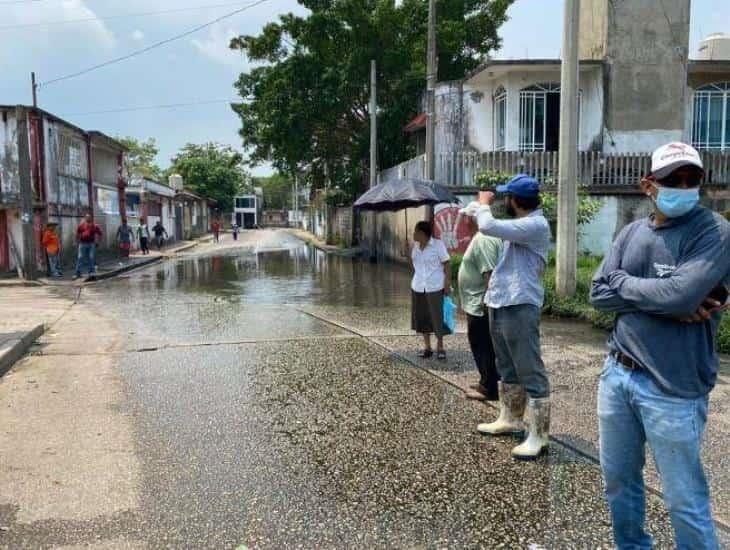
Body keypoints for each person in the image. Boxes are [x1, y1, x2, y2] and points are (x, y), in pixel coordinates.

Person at [590, 142, 729, 549]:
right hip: (617, 375)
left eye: (692, 180)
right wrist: (664, 299)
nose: (684, 187)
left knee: (684, 499)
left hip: (675, 388)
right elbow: (598, 293)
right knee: (619, 484)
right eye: (673, 180)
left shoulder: (713, 232)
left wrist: (630, 289)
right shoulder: (631, 232)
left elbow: (681, 298)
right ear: (648, 185)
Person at [465, 174, 551, 460]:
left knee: (530, 368)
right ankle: (510, 418)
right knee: (506, 365)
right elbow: (486, 225)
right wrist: (474, 209)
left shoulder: (535, 224)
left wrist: (484, 203)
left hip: (520, 303)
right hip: (501, 301)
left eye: (507, 197)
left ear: (515, 200)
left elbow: (488, 224)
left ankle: (539, 435)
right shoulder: (518, 226)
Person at [457, 208, 503, 401]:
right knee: (483, 344)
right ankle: (486, 380)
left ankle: (488, 387)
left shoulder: (483, 239)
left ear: (472, 219)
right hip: (477, 301)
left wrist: (487, 303)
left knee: (482, 344)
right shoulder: (483, 236)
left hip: (480, 303)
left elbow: (489, 274)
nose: (462, 220)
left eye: (465, 216)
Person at [408, 220, 452, 361]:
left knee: (437, 318)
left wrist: (447, 283)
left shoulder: (437, 245)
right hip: (418, 286)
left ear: (422, 233)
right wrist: (406, 253)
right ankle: (427, 347)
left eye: (415, 231)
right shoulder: (415, 247)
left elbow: (447, 265)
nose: (413, 234)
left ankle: (440, 347)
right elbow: (414, 266)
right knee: (422, 318)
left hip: (435, 286)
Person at [74, 213, 102, 280]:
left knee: (91, 257)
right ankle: (78, 273)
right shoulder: (81, 225)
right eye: (87, 217)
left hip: (91, 243)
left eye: (89, 217)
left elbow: (100, 234)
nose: (88, 218)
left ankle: (91, 272)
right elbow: (77, 234)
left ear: (91, 218)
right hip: (82, 243)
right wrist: (76, 242)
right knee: (80, 257)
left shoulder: (95, 226)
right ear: (85, 218)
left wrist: (98, 242)